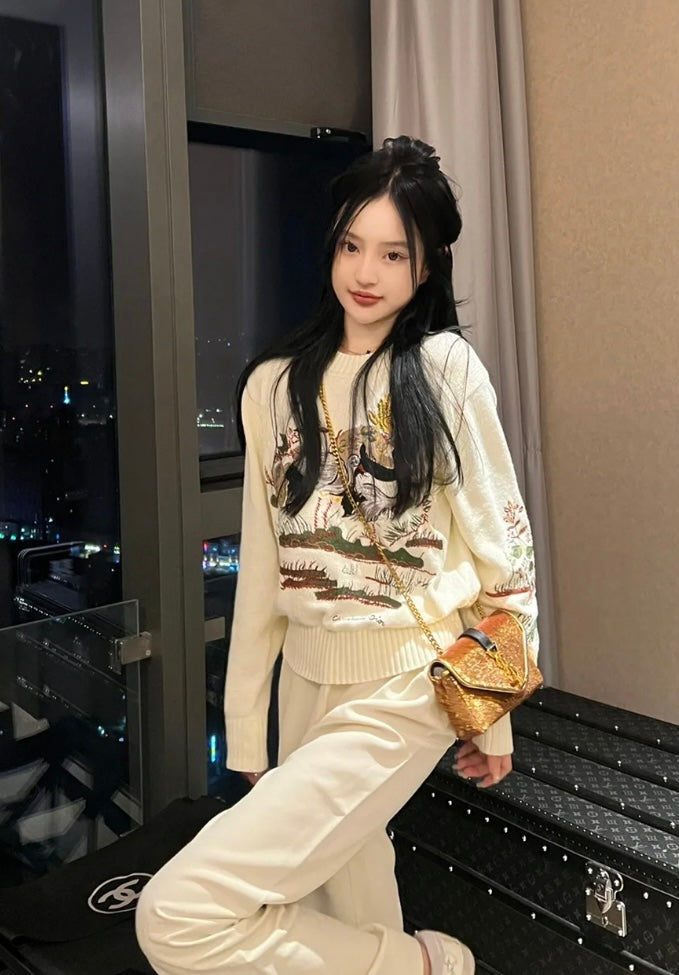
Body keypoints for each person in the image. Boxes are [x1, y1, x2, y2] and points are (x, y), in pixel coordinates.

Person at [136, 136, 539, 975]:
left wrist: (489, 712)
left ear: (427, 265)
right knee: (338, 908)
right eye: (352, 245)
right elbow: (264, 570)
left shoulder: (443, 368)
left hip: (408, 682)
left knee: (178, 913)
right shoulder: (272, 386)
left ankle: (433, 966)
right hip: (305, 681)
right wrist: (246, 731)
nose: (366, 272)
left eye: (393, 253)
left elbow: (504, 557)